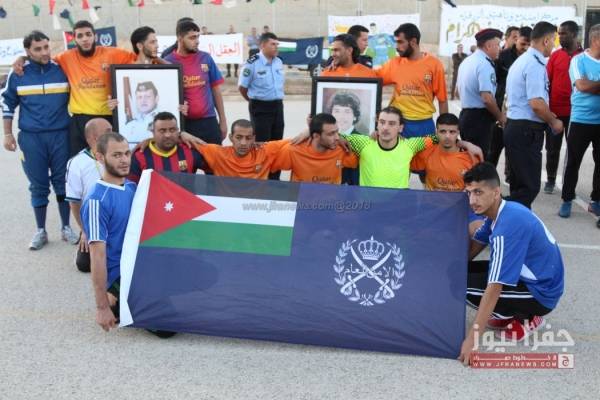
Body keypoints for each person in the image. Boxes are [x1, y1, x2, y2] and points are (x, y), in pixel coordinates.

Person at [459, 162, 564, 366]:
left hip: (541, 293)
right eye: (469, 193)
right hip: (530, 277)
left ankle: (526, 316)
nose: (472, 200)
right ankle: (510, 312)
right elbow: (478, 242)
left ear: (496, 192)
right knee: (457, 274)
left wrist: (472, 339)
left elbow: (494, 287)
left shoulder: (507, 227)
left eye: (478, 192)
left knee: (459, 287)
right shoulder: (501, 210)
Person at [12, 21, 138, 157]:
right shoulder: (66, 57)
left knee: (107, 159)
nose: (85, 39)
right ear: (74, 39)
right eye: (80, 36)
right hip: (79, 121)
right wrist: (23, 58)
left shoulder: (113, 54)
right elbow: (43, 59)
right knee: (78, 160)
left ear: (95, 36)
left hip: (107, 117)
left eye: (88, 34)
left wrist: (121, 97)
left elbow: (139, 61)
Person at [1, 30, 78, 250]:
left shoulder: (61, 69)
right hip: (32, 138)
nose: (44, 52)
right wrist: (7, 134)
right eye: (38, 49)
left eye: (46, 47)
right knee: (38, 185)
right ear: (27, 51)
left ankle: (66, 227)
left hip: (61, 135)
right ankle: (41, 231)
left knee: (63, 182)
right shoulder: (18, 73)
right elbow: (7, 103)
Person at [326, 107, 480, 189]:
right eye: (382, 122)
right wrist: (338, 137)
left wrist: (465, 144)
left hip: (399, 207)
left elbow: (439, 137)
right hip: (368, 207)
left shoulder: (411, 145)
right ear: (377, 124)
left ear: (400, 128)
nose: (385, 128)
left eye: (392, 124)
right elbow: (331, 133)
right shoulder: (363, 143)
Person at [504, 22, 563, 209]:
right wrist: (553, 121)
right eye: (553, 40)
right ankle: (494, 215)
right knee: (529, 187)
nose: (553, 45)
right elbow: (536, 104)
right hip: (526, 131)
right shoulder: (534, 64)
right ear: (546, 40)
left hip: (517, 128)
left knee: (519, 186)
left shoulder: (522, 60)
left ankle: (513, 222)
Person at [81, 133, 135, 333]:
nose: (124, 160)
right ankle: (113, 298)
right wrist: (101, 307)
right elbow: (97, 256)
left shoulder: (131, 187)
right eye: (117, 155)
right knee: (165, 330)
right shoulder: (97, 201)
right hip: (119, 274)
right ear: (100, 157)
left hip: (138, 265)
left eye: (127, 153)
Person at [410, 113, 482, 236]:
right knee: (422, 236)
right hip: (432, 206)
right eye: (443, 131)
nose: (447, 136)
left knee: (478, 231)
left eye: (452, 132)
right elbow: (400, 153)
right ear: (436, 132)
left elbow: (480, 188)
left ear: (458, 132)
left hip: (461, 207)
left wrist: (466, 144)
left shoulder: (470, 157)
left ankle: (466, 249)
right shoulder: (426, 152)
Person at [558, 24, 600, 221]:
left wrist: (593, 86)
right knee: (573, 162)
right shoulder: (578, 60)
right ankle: (566, 199)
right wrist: (590, 86)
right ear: (596, 40)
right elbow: (581, 85)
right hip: (581, 120)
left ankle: (596, 200)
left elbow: (587, 86)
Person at [376, 23, 448, 138]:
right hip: (399, 126)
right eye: (396, 42)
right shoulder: (394, 63)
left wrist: (445, 129)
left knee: (427, 151)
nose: (396, 46)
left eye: (400, 42)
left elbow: (442, 100)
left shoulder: (434, 64)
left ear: (413, 42)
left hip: (424, 125)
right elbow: (372, 79)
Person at [165, 21, 227, 144]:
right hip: (184, 125)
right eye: (192, 38)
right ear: (180, 38)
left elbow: (216, 90)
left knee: (214, 156)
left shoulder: (206, 58)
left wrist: (223, 121)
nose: (197, 41)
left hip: (209, 121)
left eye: (198, 37)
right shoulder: (168, 62)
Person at [66, 118, 111, 272]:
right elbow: (74, 202)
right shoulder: (77, 163)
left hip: (118, 217)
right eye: (108, 132)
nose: (114, 135)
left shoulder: (119, 155)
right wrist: (85, 230)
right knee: (84, 265)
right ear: (95, 138)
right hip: (94, 221)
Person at [238, 32, 285, 179]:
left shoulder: (278, 62)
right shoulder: (252, 63)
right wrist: (252, 102)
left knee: (277, 144)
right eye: (273, 44)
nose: (276, 47)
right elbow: (242, 87)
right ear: (263, 45)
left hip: (278, 106)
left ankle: (274, 178)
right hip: (260, 107)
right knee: (261, 146)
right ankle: (261, 178)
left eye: (277, 44)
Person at [545, 21, 583, 194]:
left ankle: (568, 185)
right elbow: (547, 81)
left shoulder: (583, 57)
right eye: (559, 34)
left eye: (564, 33)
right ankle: (550, 180)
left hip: (576, 113)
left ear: (574, 34)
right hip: (555, 112)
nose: (560, 37)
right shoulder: (555, 56)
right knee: (552, 149)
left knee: (573, 151)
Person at [456, 28, 505, 160]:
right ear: (488, 46)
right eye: (498, 45)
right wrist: (500, 117)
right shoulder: (485, 64)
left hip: (466, 116)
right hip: (479, 120)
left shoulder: (467, 61)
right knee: (479, 160)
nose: (500, 49)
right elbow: (487, 99)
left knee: (468, 160)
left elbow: (457, 92)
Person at [489, 26, 532, 170]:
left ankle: (511, 179)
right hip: (501, 110)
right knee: (493, 150)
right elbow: (493, 82)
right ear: (516, 39)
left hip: (520, 113)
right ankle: (488, 178)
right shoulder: (503, 56)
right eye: (523, 43)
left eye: (529, 44)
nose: (525, 48)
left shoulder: (532, 59)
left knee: (515, 153)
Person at [273, 113, 358, 184]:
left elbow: (357, 163)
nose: (337, 138)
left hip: (331, 198)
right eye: (331, 134)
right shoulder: (293, 150)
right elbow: (270, 163)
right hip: (302, 198)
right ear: (316, 136)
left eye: (337, 132)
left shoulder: (342, 149)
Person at [128, 112, 206, 183]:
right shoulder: (139, 156)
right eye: (162, 131)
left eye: (172, 130)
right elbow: (131, 186)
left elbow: (212, 168)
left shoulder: (190, 151)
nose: (168, 135)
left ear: (178, 131)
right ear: (153, 132)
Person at [121, 82, 160, 148]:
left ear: (156, 98)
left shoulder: (164, 120)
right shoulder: (130, 124)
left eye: (147, 96)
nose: (143, 100)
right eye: (139, 97)